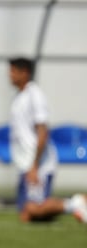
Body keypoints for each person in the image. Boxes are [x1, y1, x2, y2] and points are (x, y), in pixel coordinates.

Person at [8, 57, 87, 223]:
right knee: (27, 215)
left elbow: (43, 131)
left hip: (39, 164)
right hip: (26, 163)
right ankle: (73, 206)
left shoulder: (34, 94)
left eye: (13, 71)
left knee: (31, 210)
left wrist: (35, 165)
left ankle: (75, 203)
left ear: (25, 73)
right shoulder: (19, 97)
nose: (10, 75)